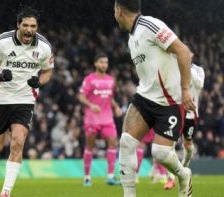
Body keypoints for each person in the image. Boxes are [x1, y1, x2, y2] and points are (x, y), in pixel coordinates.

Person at [114, 0, 195, 196]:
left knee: (160, 153)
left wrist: (185, 89)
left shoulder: (150, 25)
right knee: (125, 142)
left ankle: (183, 174)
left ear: (119, 10)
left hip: (169, 102)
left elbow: (184, 51)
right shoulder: (131, 37)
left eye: (114, 10)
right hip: (145, 98)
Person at [0, 7, 54, 197]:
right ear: (18, 25)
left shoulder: (44, 47)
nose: (29, 30)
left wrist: (39, 82)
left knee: (18, 142)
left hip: (25, 99)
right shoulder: (3, 42)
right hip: (1, 98)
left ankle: (5, 192)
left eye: (33, 26)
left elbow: (47, 71)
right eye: (26, 25)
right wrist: (1, 75)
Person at [78, 52, 123, 187]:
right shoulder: (89, 79)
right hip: (92, 119)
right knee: (90, 146)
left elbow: (109, 97)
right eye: (101, 62)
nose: (104, 64)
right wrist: (91, 105)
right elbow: (81, 97)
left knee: (113, 143)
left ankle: (110, 176)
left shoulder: (111, 80)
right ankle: (87, 177)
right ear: (96, 63)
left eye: (106, 62)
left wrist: (116, 107)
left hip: (107, 118)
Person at [164, 63, 205, 190]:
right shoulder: (172, 69)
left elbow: (199, 84)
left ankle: (184, 166)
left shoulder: (198, 70)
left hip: (191, 114)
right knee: (167, 145)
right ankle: (170, 177)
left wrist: (187, 70)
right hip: (174, 112)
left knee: (188, 145)